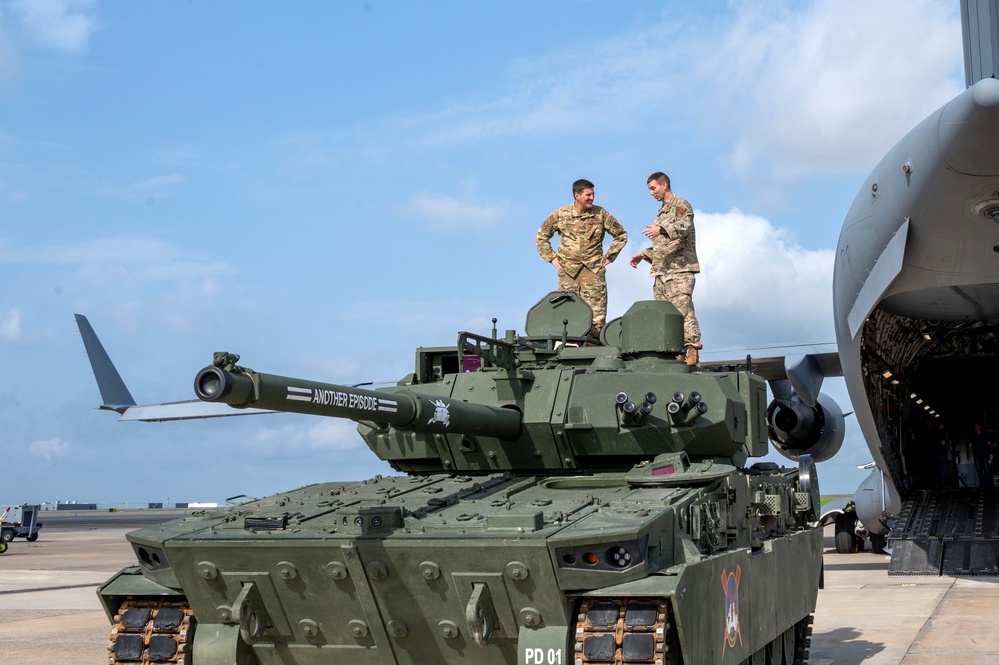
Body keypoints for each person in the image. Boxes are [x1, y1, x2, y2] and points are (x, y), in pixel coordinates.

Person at [536, 179, 628, 334]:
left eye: (593, 194)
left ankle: (595, 351)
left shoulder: (601, 214)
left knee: (597, 319)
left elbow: (621, 235)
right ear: (576, 195)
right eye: (588, 194)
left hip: (593, 272)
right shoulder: (561, 214)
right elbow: (541, 237)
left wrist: (610, 256)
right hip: (568, 274)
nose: (592, 197)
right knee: (566, 313)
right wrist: (552, 258)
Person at [629, 172, 702, 365]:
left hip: (680, 269)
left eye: (653, 188)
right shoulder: (661, 213)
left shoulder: (680, 205)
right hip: (662, 271)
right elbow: (662, 245)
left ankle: (692, 350)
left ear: (664, 184)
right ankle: (676, 351)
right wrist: (644, 254)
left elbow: (685, 226)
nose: (651, 193)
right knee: (666, 314)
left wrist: (661, 229)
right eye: (649, 190)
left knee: (683, 311)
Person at [968, 423, 993, 488]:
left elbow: (989, 443)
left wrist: (992, 451)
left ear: (979, 427)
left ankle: (990, 484)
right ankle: (982, 484)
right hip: (977, 455)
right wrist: (969, 454)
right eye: (974, 427)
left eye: (976, 426)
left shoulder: (984, 435)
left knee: (987, 469)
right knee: (979, 470)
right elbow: (970, 445)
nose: (975, 428)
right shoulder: (973, 436)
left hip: (985, 454)